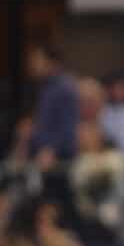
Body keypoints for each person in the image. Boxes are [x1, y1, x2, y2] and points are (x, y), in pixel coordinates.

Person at [27, 43, 79, 171]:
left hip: (57, 162)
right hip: (42, 159)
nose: (33, 65)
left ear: (52, 63)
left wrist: (52, 150)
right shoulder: (44, 89)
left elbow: (68, 128)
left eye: (37, 60)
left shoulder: (64, 89)